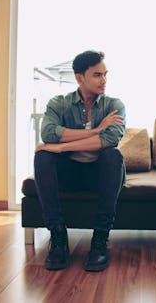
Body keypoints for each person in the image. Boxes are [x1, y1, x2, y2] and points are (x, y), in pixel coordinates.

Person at [34, 50, 126, 272]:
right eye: (97, 75)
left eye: (105, 74)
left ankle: (99, 241)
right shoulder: (59, 103)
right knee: (43, 156)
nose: (103, 80)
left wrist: (63, 145)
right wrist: (95, 130)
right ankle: (58, 238)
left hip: (101, 175)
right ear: (79, 77)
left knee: (113, 155)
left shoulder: (114, 105)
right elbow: (48, 134)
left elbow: (109, 139)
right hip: (70, 173)